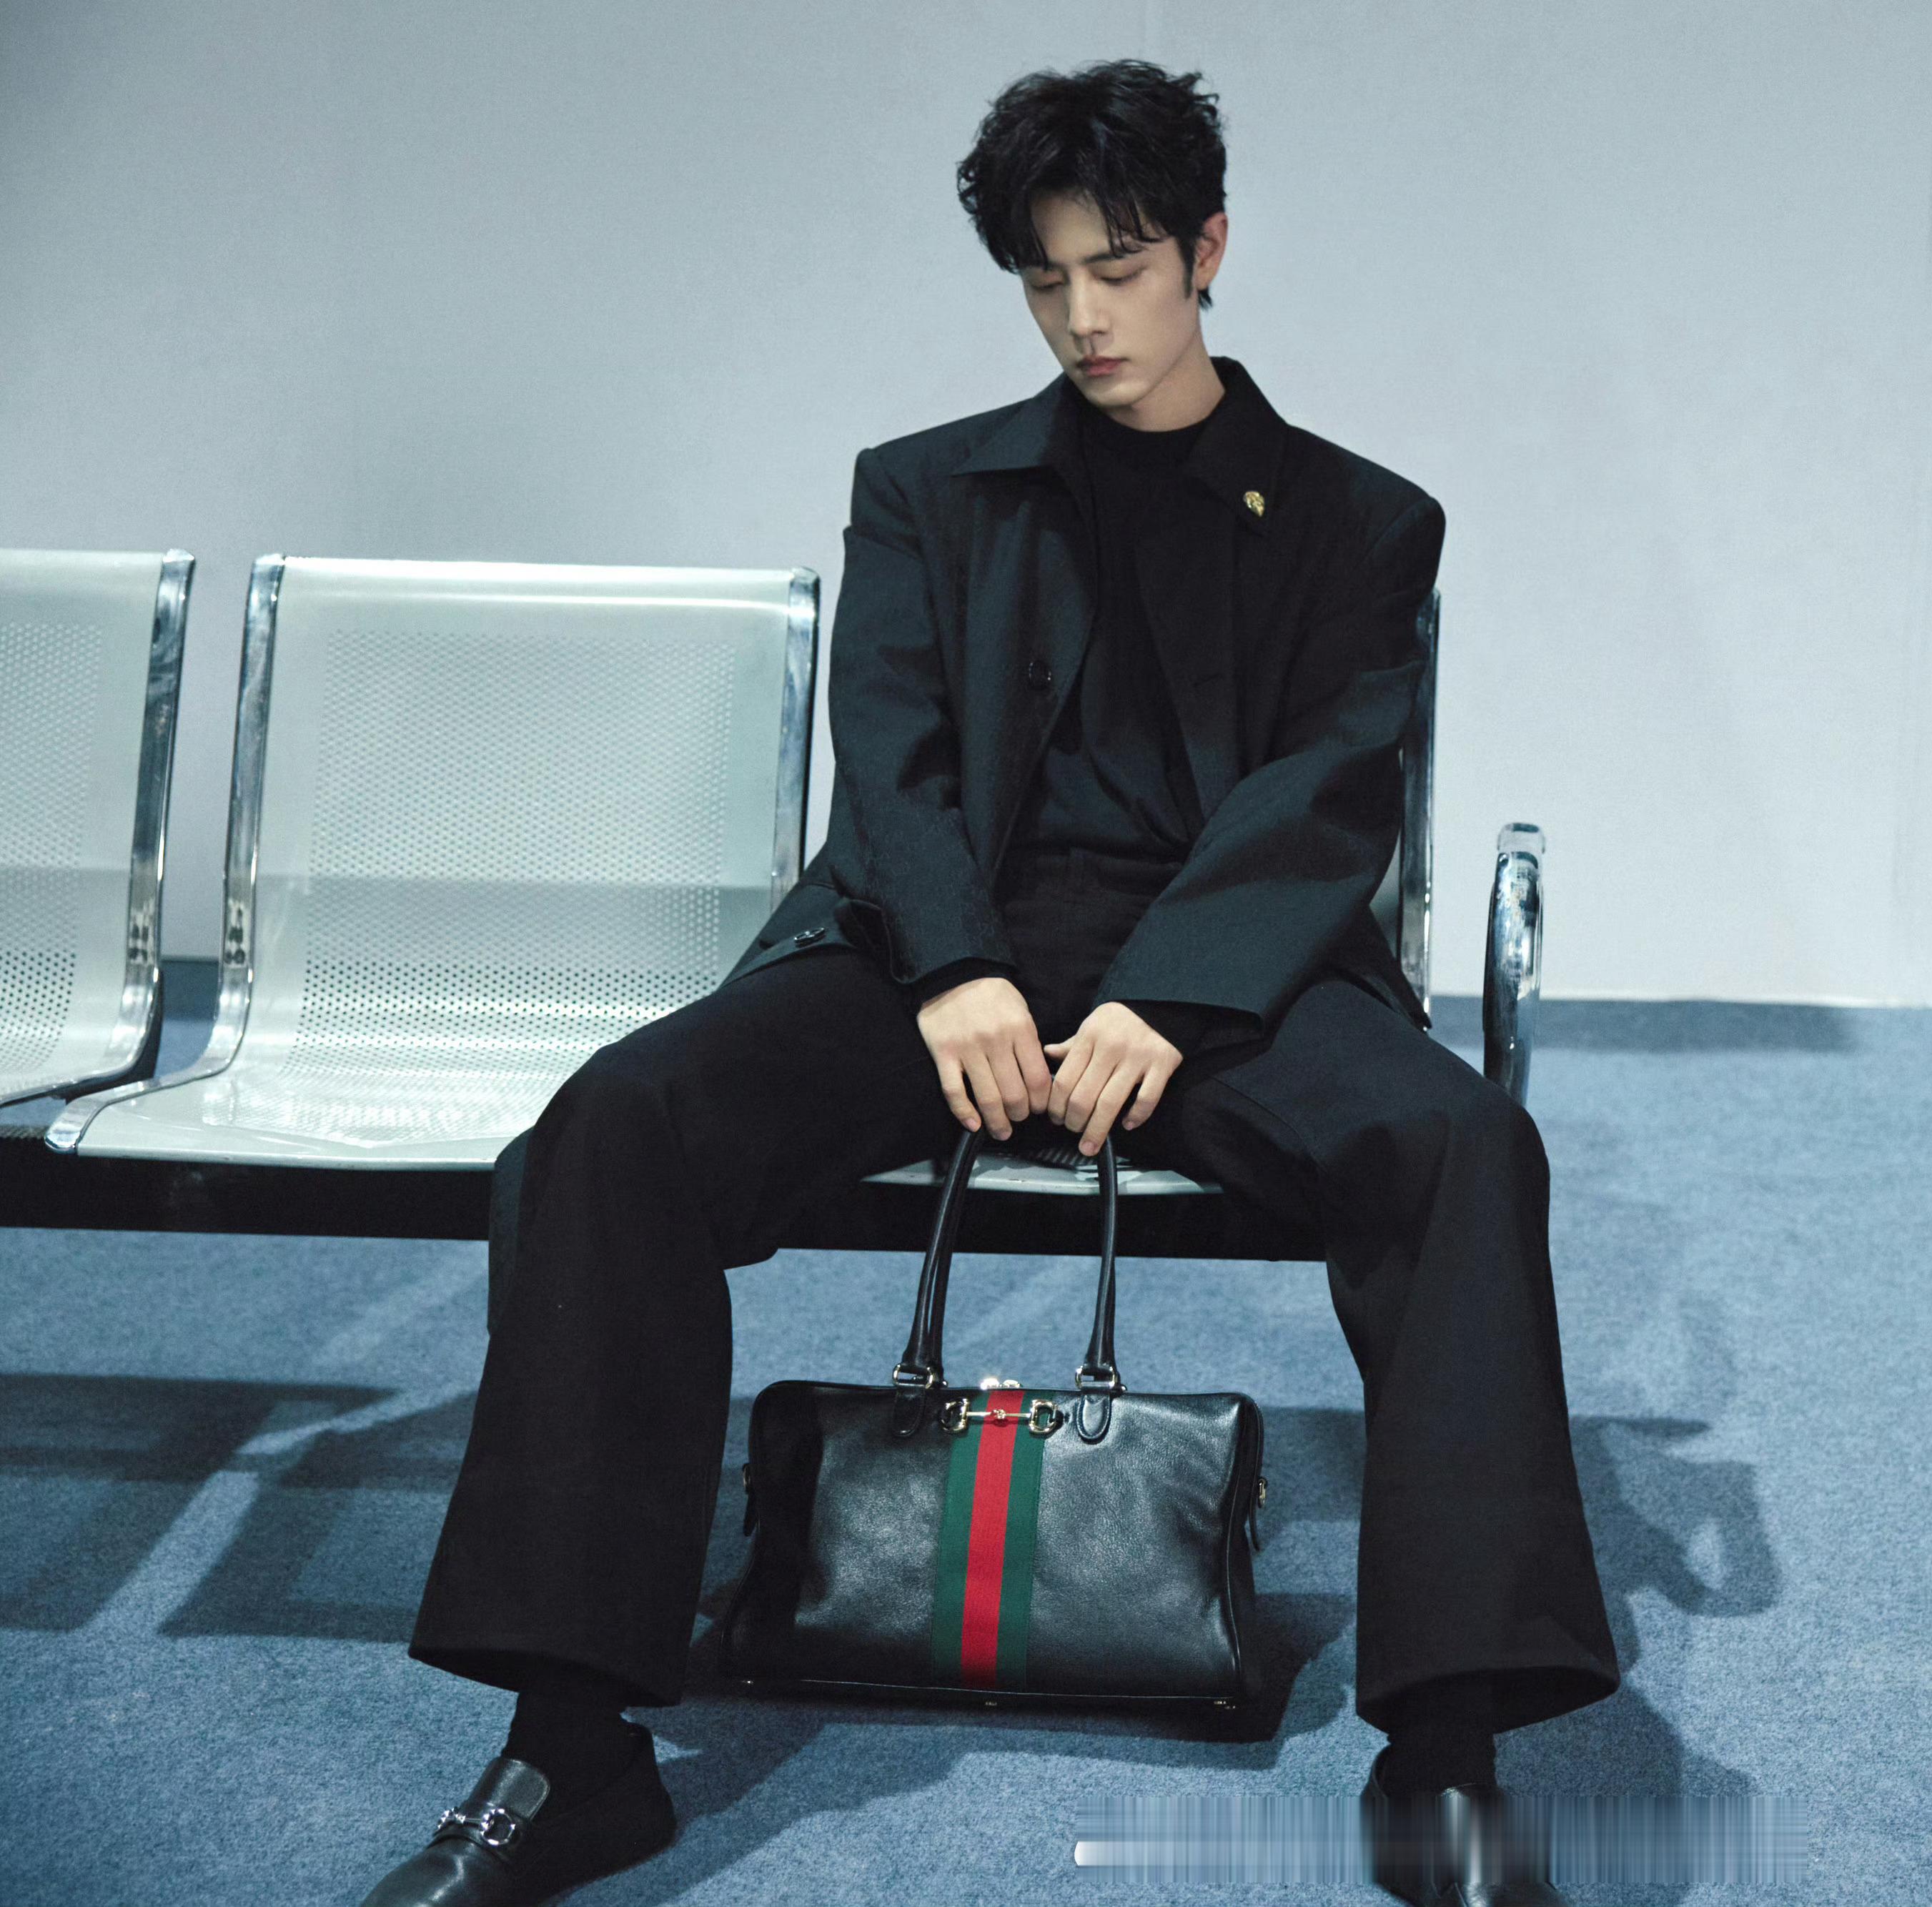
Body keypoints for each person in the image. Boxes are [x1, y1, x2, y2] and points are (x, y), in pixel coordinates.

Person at [356, 57, 1618, 1907]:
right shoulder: (926, 491)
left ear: (1208, 250)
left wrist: (1170, 994)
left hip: (1226, 972)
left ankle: (1446, 1756)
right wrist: (953, 965)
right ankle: (572, 1745)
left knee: (1463, 1150)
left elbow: (1329, 792)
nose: (1085, 316)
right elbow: (892, 756)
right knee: (617, 1125)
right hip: (930, 953)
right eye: (1046, 279)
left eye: (1121, 267)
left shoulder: (1361, 522)